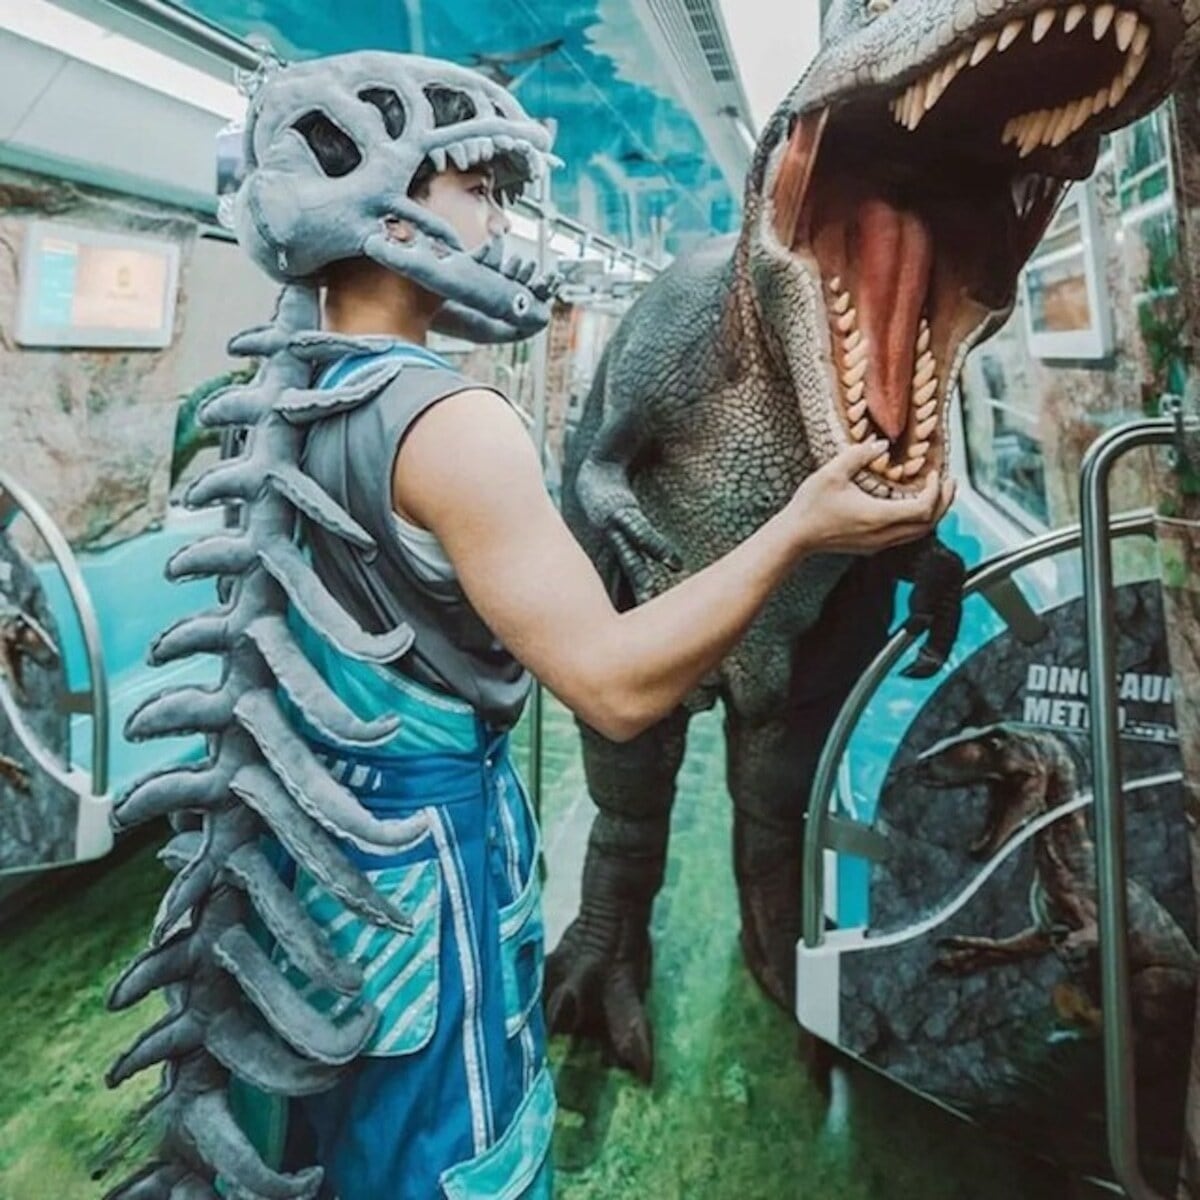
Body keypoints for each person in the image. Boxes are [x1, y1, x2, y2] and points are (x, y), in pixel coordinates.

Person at [227, 51, 953, 1200]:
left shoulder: (269, 407)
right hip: (422, 859)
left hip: (303, 846)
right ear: (390, 210)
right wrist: (802, 527)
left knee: (331, 1128)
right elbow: (612, 690)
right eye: (479, 190)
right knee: (451, 1149)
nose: (502, 223)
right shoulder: (454, 423)